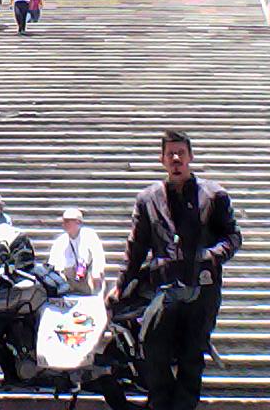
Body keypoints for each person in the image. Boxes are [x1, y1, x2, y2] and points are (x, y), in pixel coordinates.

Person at [108, 130, 242, 410]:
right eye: (170, 154)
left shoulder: (214, 195)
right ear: (162, 159)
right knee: (152, 346)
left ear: (190, 156)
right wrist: (120, 285)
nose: (176, 159)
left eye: (181, 152)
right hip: (165, 289)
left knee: (192, 357)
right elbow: (136, 248)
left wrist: (209, 256)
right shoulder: (149, 199)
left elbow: (232, 237)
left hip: (202, 289)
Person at [49, 208, 105, 294]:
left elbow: (98, 256)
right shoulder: (60, 241)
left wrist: (96, 273)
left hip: (86, 276)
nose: (64, 224)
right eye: (64, 221)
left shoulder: (89, 235)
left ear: (78, 222)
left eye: (68, 221)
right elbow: (52, 263)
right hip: (68, 278)